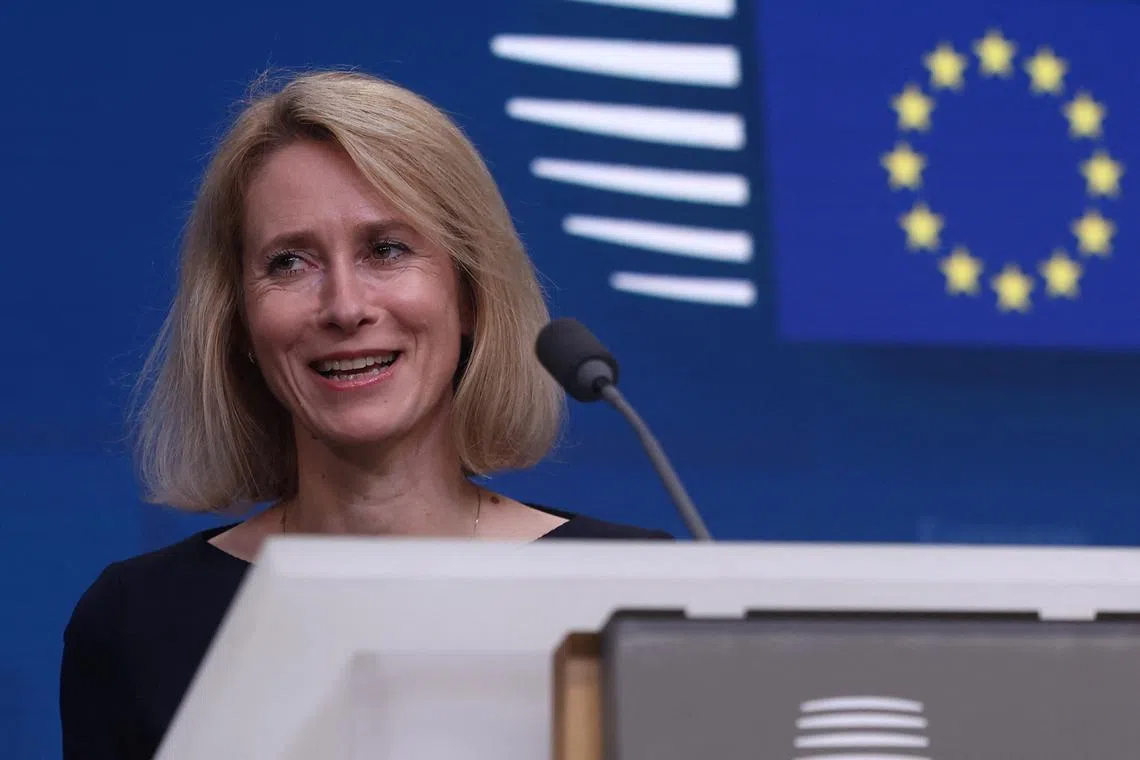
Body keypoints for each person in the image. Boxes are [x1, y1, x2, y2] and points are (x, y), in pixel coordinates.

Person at [59, 69, 670, 760]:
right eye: (290, 262)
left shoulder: (632, 590)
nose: (345, 306)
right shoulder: (135, 623)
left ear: (470, 296)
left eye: (387, 249)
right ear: (238, 324)